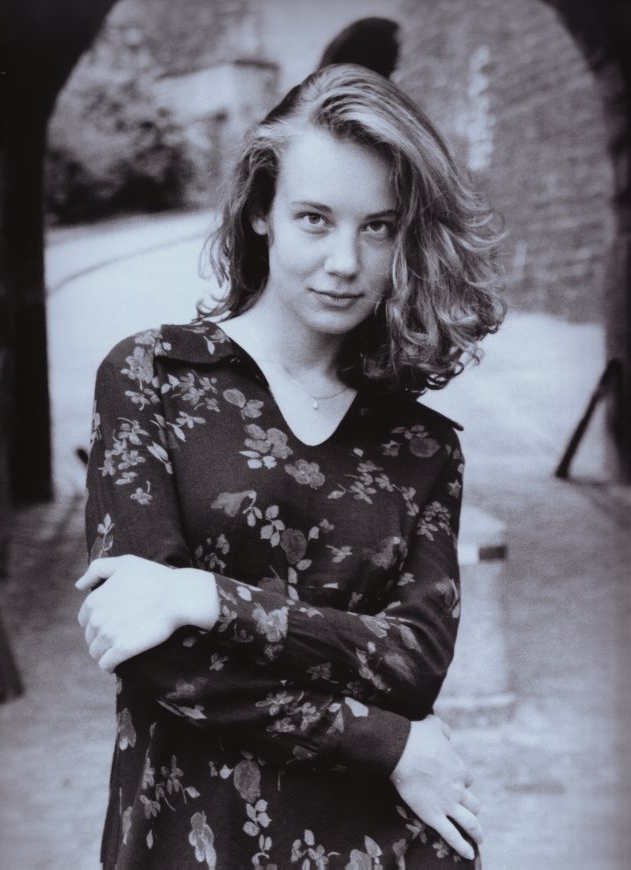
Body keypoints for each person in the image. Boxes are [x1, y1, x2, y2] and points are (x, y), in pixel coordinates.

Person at [76, 63, 505, 868]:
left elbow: (413, 663)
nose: (345, 261)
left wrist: (203, 597)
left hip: (382, 846)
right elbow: (150, 655)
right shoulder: (152, 377)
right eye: (315, 219)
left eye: (378, 227)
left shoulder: (422, 446)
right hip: (192, 837)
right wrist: (387, 743)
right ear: (261, 212)